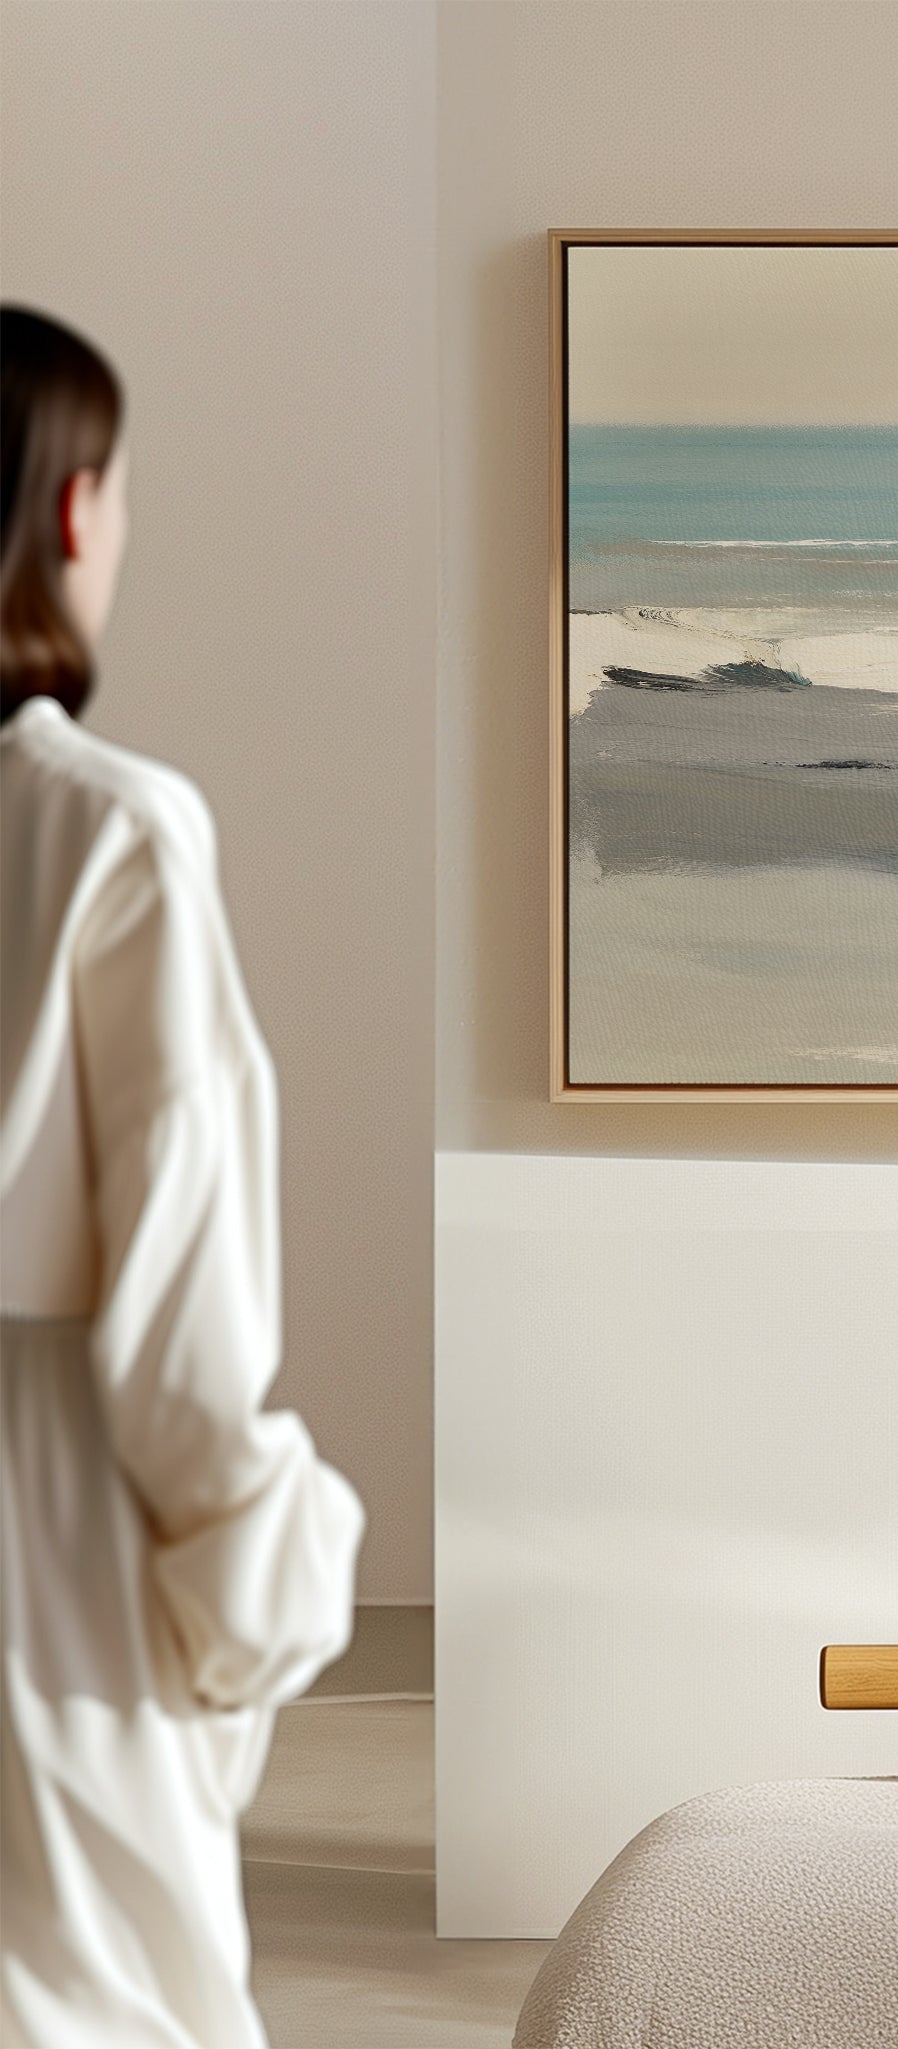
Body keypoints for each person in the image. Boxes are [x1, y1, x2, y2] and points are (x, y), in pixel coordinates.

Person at [0, 306, 363, 2047]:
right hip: (40, 1539)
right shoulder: (108, 830)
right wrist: (262, 1579)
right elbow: (177, 1337)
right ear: (73, 510)